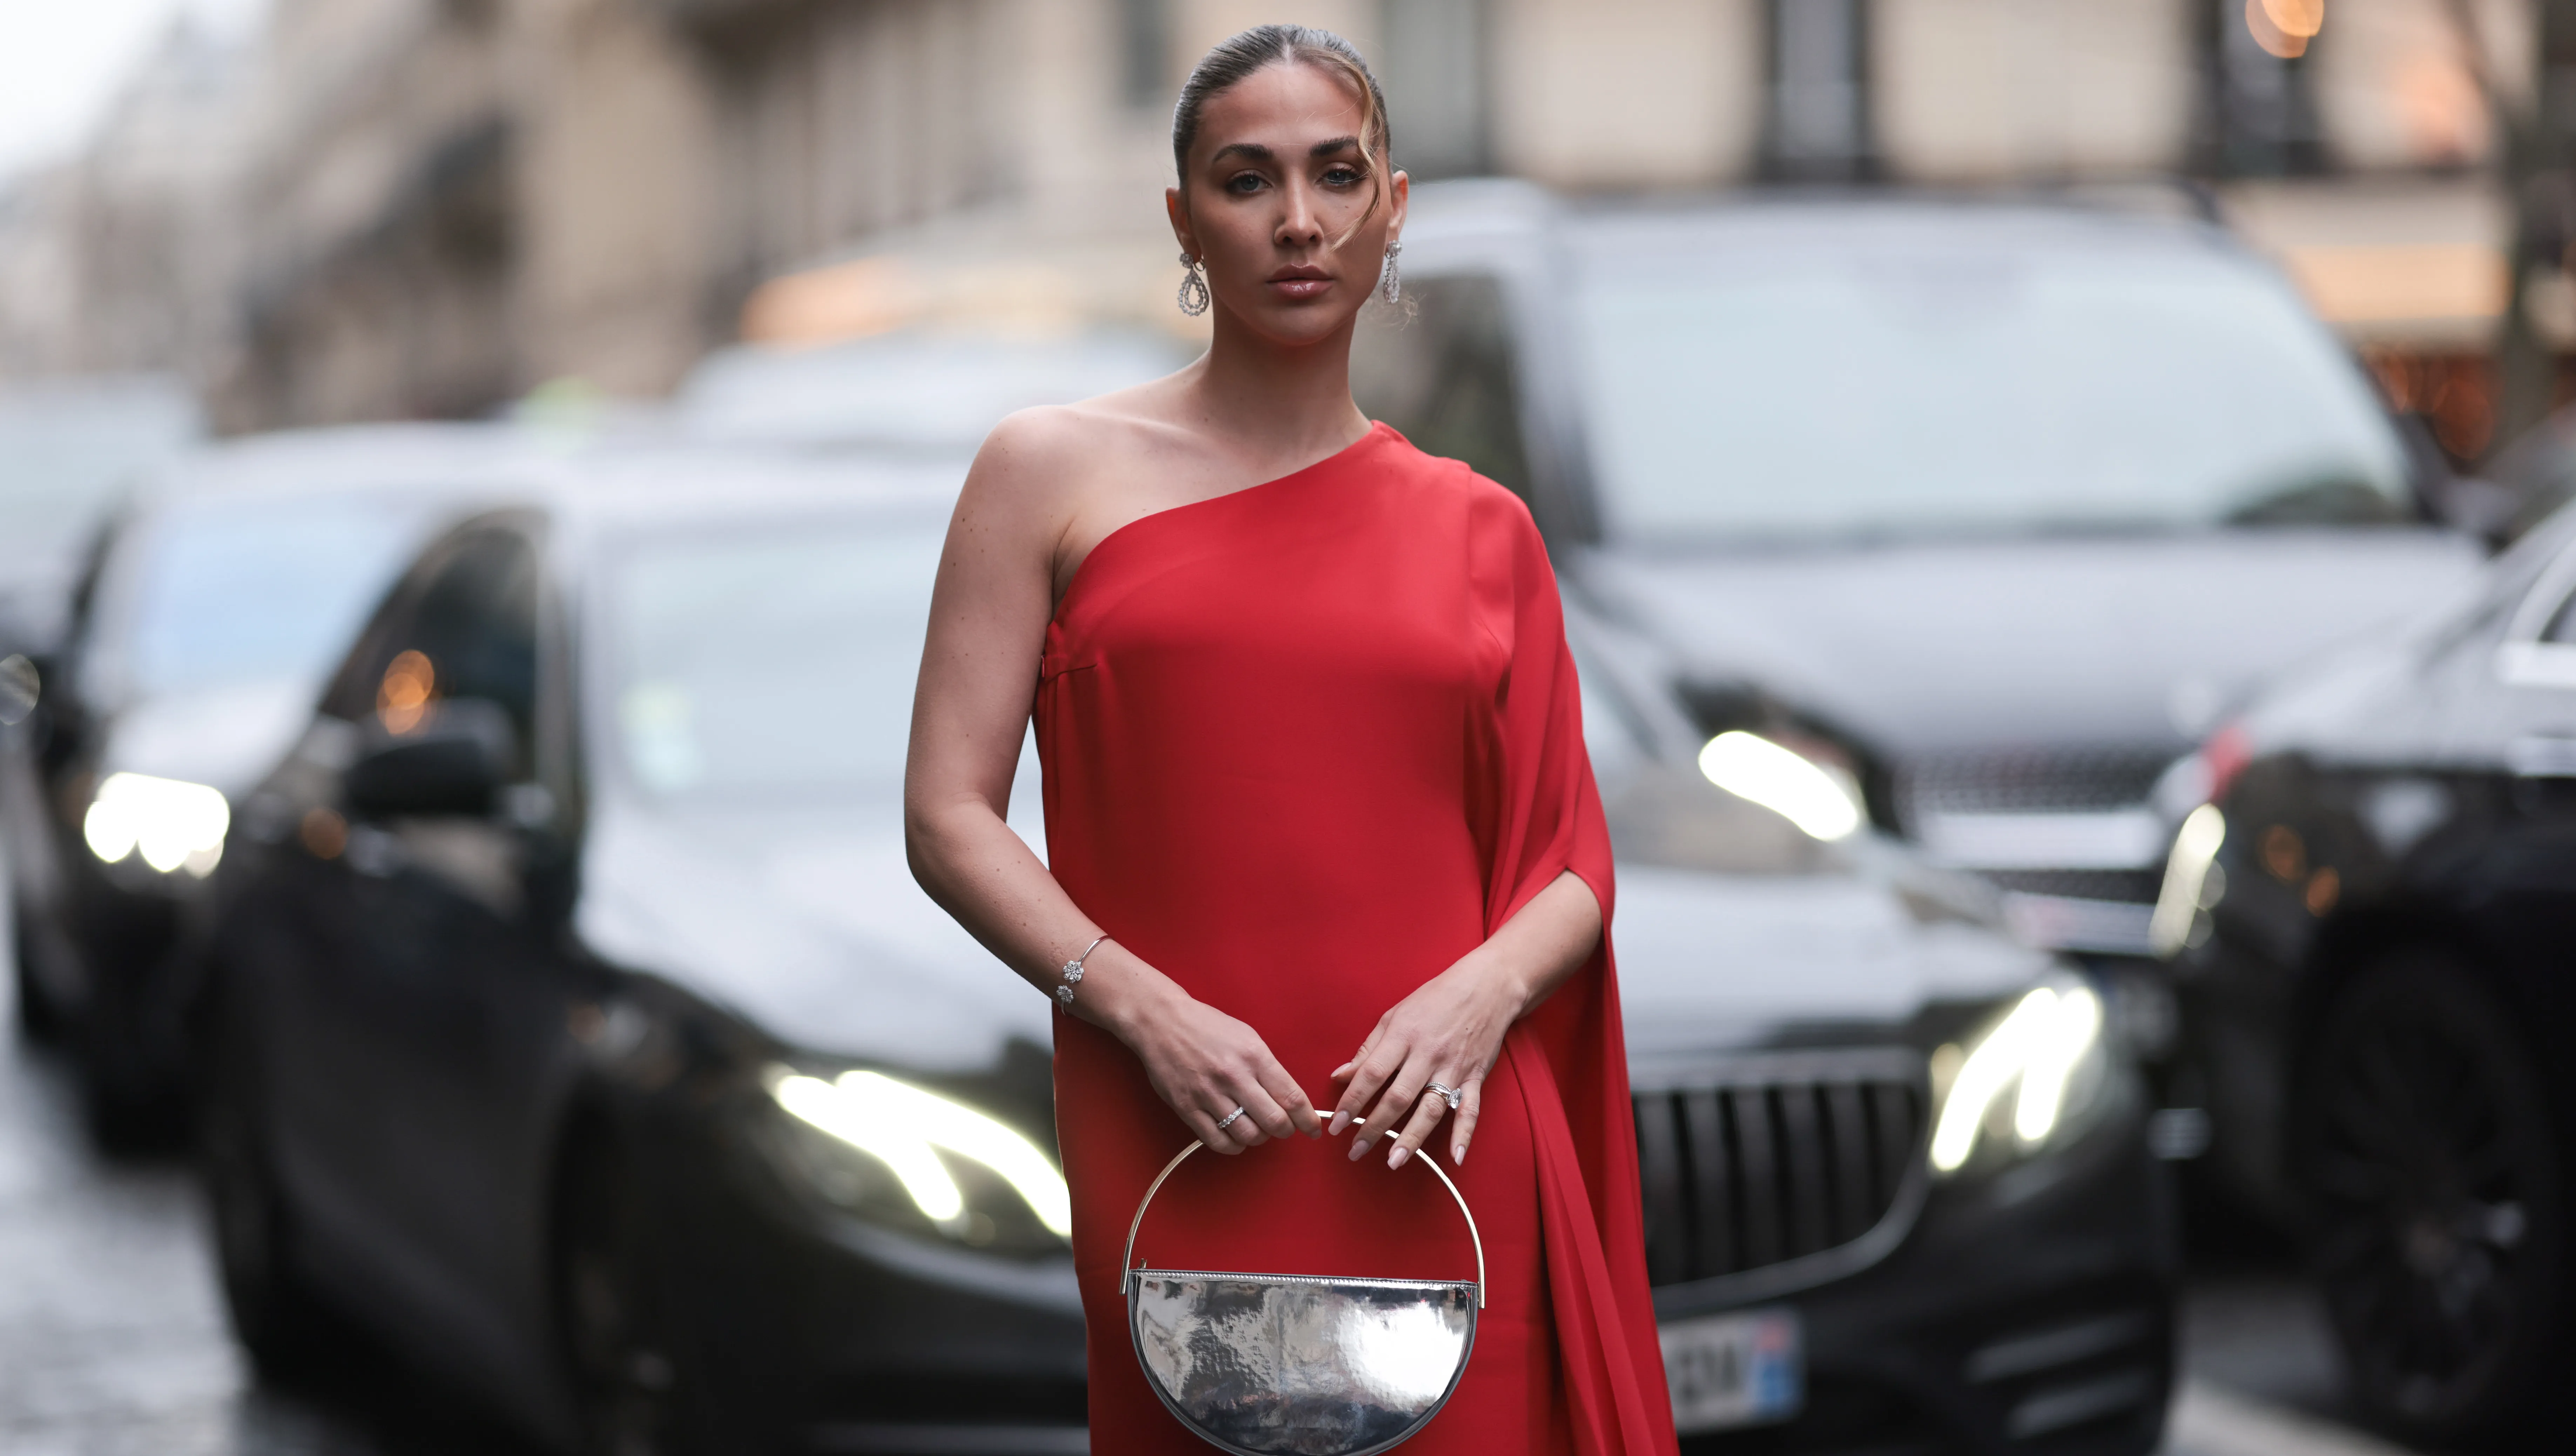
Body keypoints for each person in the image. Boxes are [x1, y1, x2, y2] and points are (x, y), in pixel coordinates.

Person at [905, 24, 1677, 1454]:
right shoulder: (1045, 473)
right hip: (1179, 1127)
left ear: (1394, 207)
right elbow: (948, 815)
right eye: (1247, 179)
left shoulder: (1482, 528)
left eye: (1337, 175)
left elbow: (1573, 865)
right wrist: (1141, 1008)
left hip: (1441, 1143)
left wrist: (1476, 1000)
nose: (1299, 220)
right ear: (1184, 217)